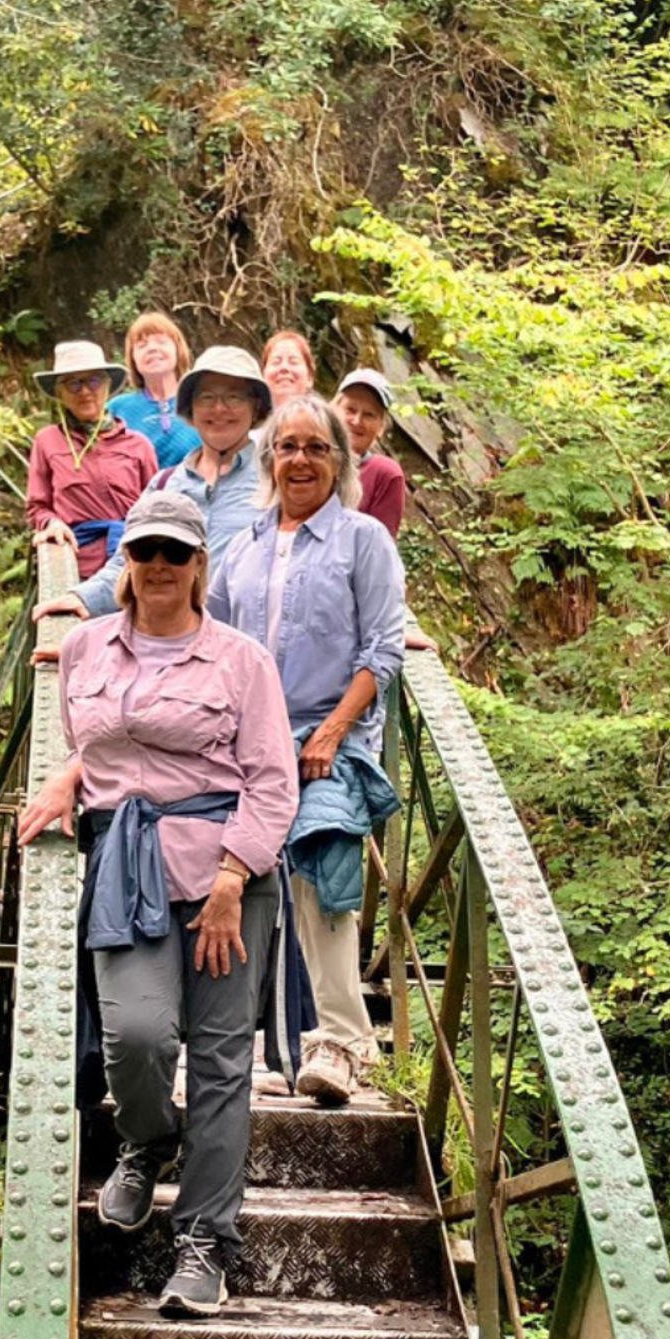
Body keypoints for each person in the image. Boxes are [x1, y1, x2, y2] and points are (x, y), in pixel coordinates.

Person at [18, 490, 301, 1318]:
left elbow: (274, 781)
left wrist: (231, 877)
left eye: (176, 553)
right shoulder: (84, 648)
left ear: (199, 565)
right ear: (127, 561)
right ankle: (147, 1136)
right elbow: (99, 744)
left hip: (226, 876)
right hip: (128, 872)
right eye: (145, 551)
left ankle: (205, 1243)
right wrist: (71, 777)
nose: (159, 566)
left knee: (219, 1064)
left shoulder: (242, 660)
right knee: (136, 1036)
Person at [208, 393, 406, 1107]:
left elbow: (383, 648)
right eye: (288, 447)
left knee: (323, 871)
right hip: (250, 738)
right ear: (269, 460)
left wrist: (331, 732)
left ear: (340, 461)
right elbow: (212, 639)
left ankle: (345, 1044)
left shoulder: (363, 539)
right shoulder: (243, 546)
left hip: (330, 735)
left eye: (316, 448)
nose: (300, 460)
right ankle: (257, 1043)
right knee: (238, 872)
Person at [35, 346, 272, 624]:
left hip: (249, 642)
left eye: (234, 397)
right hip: (173, 642)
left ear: (256, 406)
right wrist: (83, 598)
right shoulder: (165, 484)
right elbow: (127, 560)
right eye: (207, 397)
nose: (219, 409)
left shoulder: (276, 482)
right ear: (191, 408)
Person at [26, 340, 159, 579]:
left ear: (107, 386)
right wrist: (52, 523)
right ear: (60, 393)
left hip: (133, 561)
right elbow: (38, 506)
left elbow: (155, 507)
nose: (85, 391)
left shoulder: (139, 445)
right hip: (74, 562)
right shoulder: (47, 441)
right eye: (73, 383)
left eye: (94, 381)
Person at [107, 312, 202, 473]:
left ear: (178, 350)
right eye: (142, 345)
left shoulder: (203, 403)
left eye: (161, 341)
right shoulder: (116, 409)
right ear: (133, 359)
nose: (152, 348)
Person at [332, 368, 407, 539]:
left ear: (381, 427)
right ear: (333, 411)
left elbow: (379, 546)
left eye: (369, 415)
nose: (357, 421)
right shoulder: (306, 455)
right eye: (350, 410)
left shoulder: (384, 474)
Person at [260, 330, 318, 413]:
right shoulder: (248, 419)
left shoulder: (325, 419)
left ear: (310, 377)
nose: (284, 367)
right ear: (263, 375)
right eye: (276, 362)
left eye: (293, 362)